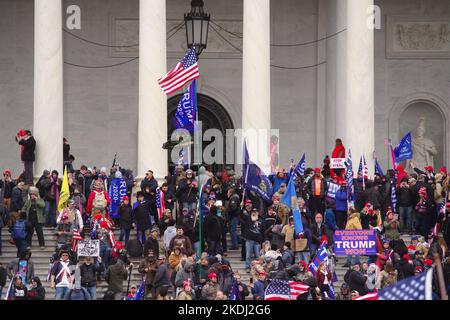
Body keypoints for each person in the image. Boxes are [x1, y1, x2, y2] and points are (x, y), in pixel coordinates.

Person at [240, 209, 263, 273]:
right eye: (253, 212)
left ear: (258, 213)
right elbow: (241, 214)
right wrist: (241, 208)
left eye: (255, 212)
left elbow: (262, 231)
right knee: (248, 255)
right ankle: (247, 267)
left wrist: (261, 240)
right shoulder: (248, 218)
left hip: (257, 241)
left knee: (258, 256)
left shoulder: (261, 220)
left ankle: (258, 268)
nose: (254, 213)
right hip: (249, 240)